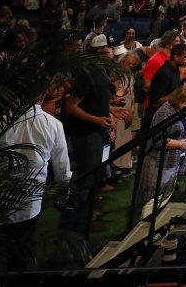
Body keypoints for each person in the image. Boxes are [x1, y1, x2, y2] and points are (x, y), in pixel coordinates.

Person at [0, 93, 72, 271]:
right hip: (28, 202)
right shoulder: (53, 124)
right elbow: (62, 165)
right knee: (20, 253)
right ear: (42, 97)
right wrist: (63, 189)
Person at [59, 34, 114, 239]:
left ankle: (84, 219)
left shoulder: (100, 71)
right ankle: (66, 228)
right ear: (99, 52)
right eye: (108, 49)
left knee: (92, 178)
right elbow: (71, 108)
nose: (112, 53)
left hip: (96, 132)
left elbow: (93, 101)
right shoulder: (88, 73)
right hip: (86, 133)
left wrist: (110, 111)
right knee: (85, 180)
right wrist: (96, 120)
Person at [137, 85, 186, 209]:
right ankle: (148, 220)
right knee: (154, 199)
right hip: (160, 163)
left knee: (165, 196)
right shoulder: (163, 113)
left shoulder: (177, 109)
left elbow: (183, 124)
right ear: (178, 99)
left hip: (173, 161)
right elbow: (159, 140)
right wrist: (180, 144)